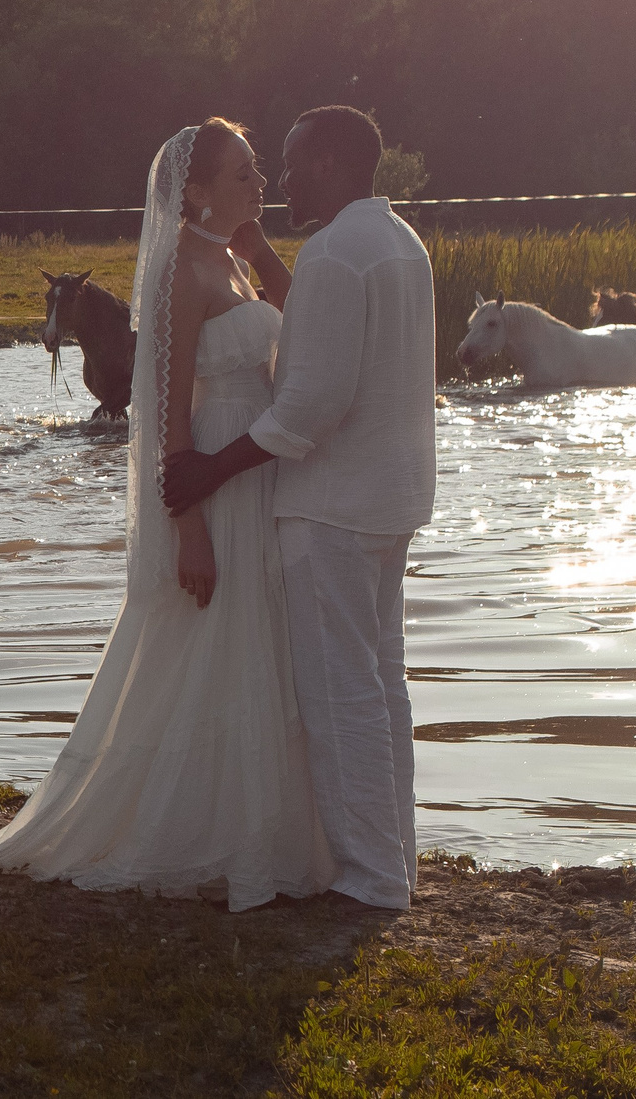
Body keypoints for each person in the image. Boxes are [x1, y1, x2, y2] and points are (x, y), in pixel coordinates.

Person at [0, 119, 332, 910]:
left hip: (255, 472)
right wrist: (186, 519)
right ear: (193, 191)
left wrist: (261, 249)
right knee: (204, 636)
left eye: (258, 171)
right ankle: (176, 825)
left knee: (254, 640)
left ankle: (254, 822)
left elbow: (302, 325)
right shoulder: (176, 274)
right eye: (243, 174)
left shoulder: (233, 259)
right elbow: (164, 409)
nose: (260, 184)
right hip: (212, 473)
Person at [162, 104, 437, 910]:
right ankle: (396, 858)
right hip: (392, 500)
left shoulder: (333, 255)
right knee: (384, 684)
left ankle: (369, 877)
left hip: (332, 508)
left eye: (288, 161)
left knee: (339, 690)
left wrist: (212, 469)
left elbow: (308, 404)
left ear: (328, 162)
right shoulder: (397, 242)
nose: (279, 180)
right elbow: (316, 340)